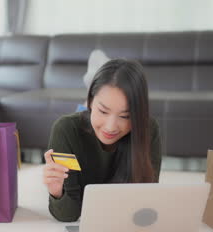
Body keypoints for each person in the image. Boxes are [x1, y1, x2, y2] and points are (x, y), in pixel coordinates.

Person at [43, 58, 162, 222]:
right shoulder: (65, 130)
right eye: (103, 111)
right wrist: (56, 191)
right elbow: (68, 215)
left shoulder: (147, 129)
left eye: (125, 116)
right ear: (91, 102)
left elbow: (145, 205)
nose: (111, 127)